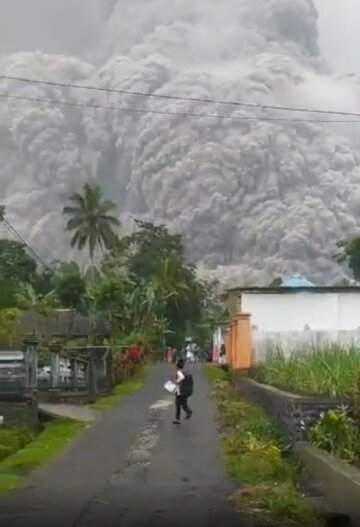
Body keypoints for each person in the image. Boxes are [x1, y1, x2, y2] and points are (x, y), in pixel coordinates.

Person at [173, 358, 193, 424]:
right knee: (183, 403)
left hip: (180, 392)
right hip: (186, 392)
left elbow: (180, 380)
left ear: (177, 365)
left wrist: (176, 382)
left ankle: (177, 419)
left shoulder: (179, 372)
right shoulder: (186, 372)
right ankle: (188, 412)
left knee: (178, 404)